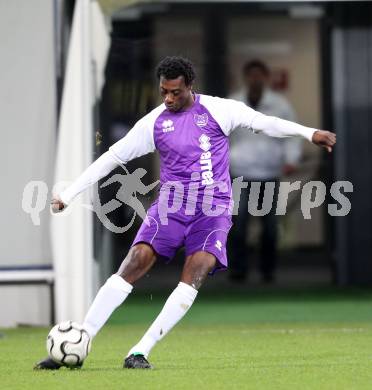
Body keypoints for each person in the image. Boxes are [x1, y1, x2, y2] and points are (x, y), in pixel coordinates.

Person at [34, 56, 335, 370]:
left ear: (190, 86)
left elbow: (266, 123)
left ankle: (140, 350)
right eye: (164, 91)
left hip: (213, 211)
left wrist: (309, 133)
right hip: (171, 207)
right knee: (133, 263)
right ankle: (83, 338)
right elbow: (112, 157)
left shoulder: (220, 110)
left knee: (195, 275)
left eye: (175, 92)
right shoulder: (154, 122)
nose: (168, 98)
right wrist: (69, 193)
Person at [228, 60, 302, 283]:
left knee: (270, 227)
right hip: (239, 171)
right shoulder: (233, 104)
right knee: (238, 224)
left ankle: (267, 271)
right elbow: (219, 136)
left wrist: (291, 159)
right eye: (251, 75)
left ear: (266, 78)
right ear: (245, 78)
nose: (255, 80)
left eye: (259, 75)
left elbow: (291, 134)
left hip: (269, 172)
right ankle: (238, 270)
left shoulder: (279, 105)